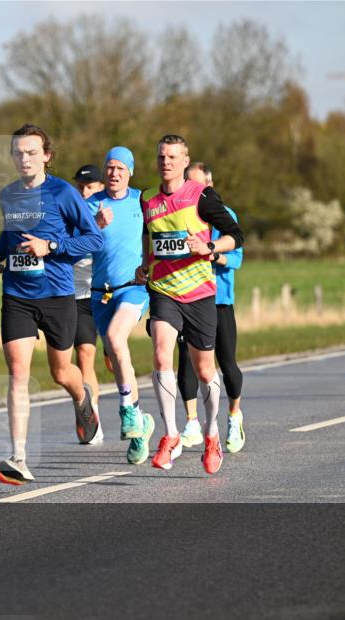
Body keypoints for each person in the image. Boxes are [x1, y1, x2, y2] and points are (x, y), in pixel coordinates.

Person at [0, 124, 103, 485]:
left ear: (47, 156)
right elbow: (9, 235)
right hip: (17, 294)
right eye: (19, 152)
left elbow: (92, 238)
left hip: (56, 294)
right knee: (19, 373)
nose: (25, 158)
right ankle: (19, 456)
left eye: (32, 152)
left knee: (61, 372)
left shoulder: (64, 193)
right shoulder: (9, 195)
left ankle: (83, 401)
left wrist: (50, 248)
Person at [135, 134, 244, 475]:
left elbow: (236, 235)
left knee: (205, 371)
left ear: (185, 161)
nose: (165, 162)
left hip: (199, 293)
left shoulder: (202, 197)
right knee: (161, 353)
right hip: (164, 291)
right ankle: (170, 434)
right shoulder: (147, 199)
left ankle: (211, 435)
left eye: (172, 157)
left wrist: (210, 249)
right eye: (161, 156)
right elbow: (149, 238)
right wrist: (144, 264)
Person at [85, 147, 156, 464]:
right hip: (101, 293)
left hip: (133, 289)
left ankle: (128, 409)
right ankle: (140, 428)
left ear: (130, 172)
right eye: (109, 167)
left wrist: (153, 266)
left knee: (116, 338)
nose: (114, 173)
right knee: (115, 358)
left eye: (120, 168)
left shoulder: (142, 202)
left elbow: (160, 234)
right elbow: (75, 247)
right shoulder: (90, 206)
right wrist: (93, 227)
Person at [176, 162, 245, 454]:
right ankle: (192, 421)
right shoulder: (179, 211)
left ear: (209, 185)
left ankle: (233, 416)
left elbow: (237, 258)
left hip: (219, 300)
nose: (191, 190)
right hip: (187, 297)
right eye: (187, 183)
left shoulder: (225, 215)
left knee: (226, 363)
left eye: (197, 185)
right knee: (186, 361)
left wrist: (210, 252)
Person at [71, 164, 105, 445]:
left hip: (100, 292)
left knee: (95, 355)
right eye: (81, 186)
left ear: (102, 187)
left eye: (91, 186)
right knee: (78, 359)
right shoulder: (66, 213)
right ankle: (89, 414)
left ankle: (95, 416)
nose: (85, 191)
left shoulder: (108, 213)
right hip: (70, 294)